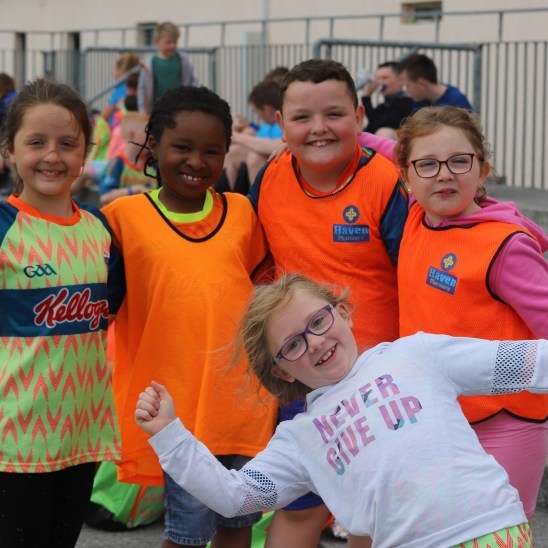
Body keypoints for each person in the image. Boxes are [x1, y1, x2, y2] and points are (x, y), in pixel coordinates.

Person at [135, 272, 546, 548]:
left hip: (492, 529)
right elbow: (235, 497)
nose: (314, 342)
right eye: (293, 345)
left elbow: (528, 364)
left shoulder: (416, 353)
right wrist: (171, 437)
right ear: (281, 370)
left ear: (344, 313)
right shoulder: (299, 438)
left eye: (317, 322)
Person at [101, 85, 278, 548]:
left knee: (237, 525)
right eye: (182, 147)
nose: (196, 161)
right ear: (153, 145)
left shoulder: (242, 214)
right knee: (186, 534)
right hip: (176, 414)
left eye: (212, 151)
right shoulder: (121, 219)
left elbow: (261, 296)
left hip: (243, 404)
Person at [249, 58, 408, 548]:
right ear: (281, 124)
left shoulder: (387, 182)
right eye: (302, 117)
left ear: (359, 116)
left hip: (379, 383)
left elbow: (420, 275)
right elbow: (258, 274)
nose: (318, 128)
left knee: (371, 516)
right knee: (299, 510)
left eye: (334, 114)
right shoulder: (269, 178)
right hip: (305, 382)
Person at [395, 105, 548, 519]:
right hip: (435, 419)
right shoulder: (416, 216)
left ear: (483, 171)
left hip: (505, 423)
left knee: (496, 536)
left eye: (459, 161)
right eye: (427, 164)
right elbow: (373, 144)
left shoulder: (507, 246)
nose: (444, 174)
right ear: (406, 176)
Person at [0, 77, 125, 547]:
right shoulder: (4, 227)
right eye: (36, 142)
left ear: (85, 152)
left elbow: (111, 308)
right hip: (16, 439)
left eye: (67, 144)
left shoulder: (98, 228)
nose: (52, 156)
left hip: (83, 432)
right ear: (9, 150)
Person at [219, 76, 285, 194]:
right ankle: (226, 198)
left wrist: (237, 137)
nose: (259, 117)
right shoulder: (267, 126)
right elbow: (258, 137)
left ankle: (257, 201)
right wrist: (246, 129)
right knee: (233, 152)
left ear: (267, 110)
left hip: (278, 161)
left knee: (254, 158)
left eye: (257, 112)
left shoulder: (282, 124)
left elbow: (277, 145)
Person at [137, 21, 198, 115]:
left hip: (179, 109)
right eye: (168, 42)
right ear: (157, 42)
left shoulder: (183, 61)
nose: (172, 45)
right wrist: (142, 110)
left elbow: (192, 82)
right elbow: (142, 89)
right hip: (156, 110)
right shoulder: (149, 64)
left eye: (175, 42)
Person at [99, 111, 157, 205]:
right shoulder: (117, 163)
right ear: (132, 135)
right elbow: (106, 197)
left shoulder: (152, 162)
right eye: (147, 132)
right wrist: (135, 190)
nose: (152, 137)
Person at [397, 53, 473, 111]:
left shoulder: (457, 103)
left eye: (407, 86)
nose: (406, 91)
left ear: (422, 84)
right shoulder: (419, 101)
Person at [359, 61, 413, 139]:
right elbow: (370, 128)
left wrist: (366, 99)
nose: (380, 82)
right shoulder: (382, 107)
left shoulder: (407, 102)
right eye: (377, 79)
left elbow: (380, 125)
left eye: (384, 78)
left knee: (384, 133)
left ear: (400, 81)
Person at [101, 52, 141, 128]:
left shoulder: (121, 87)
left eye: (114, 70)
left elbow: (106, 113)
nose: (113, 74)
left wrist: (98, 120)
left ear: (120, 70)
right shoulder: (136, 85)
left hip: (117, 127)